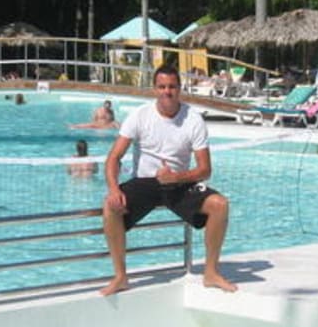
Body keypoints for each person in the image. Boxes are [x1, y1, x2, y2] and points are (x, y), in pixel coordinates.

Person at [99, 64, 237, 296]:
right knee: (110, 207)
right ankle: (121, 276)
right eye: (162, 86)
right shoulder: (139, 115)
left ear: (179, 89)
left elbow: (205, 169)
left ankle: (211, 272)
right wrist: (114, 189)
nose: (167, 92)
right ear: (155, 89)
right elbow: (114, 157)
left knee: (220, 205)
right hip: (144, 182)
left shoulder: (193, 119)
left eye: (172, 87)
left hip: (179, 184)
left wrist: (176, 177)